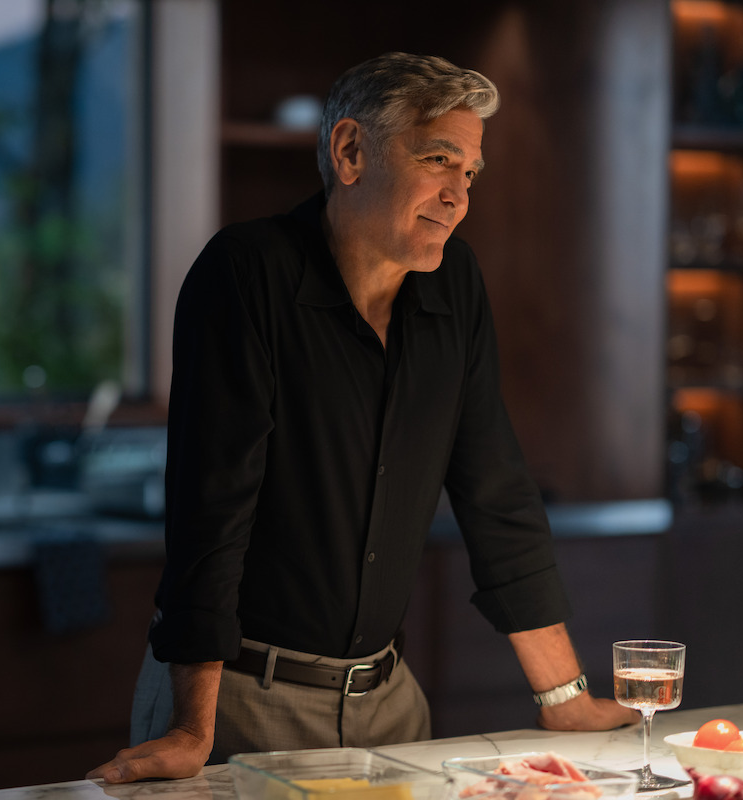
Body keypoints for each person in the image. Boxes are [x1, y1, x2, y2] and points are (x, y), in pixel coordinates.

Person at [88, 52, 637, 785]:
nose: (457, 196)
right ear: (350, 152)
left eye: (470, 174)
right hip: (240, 700)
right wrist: (192, 729)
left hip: (390, 706)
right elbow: (211, 509)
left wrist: (564, 701)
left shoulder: (456, 285)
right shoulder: (247, 272)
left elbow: (496, 492)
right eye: (438, 160)